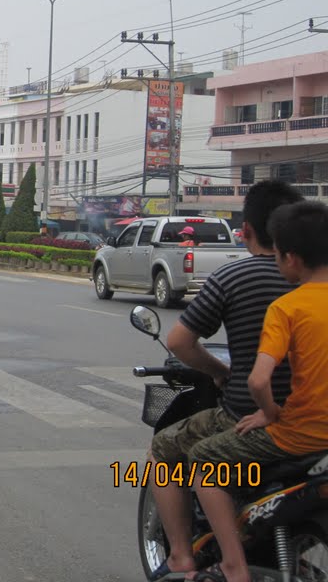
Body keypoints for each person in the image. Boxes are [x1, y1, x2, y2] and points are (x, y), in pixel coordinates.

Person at [147, 180, 303, 580]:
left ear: (245, 231)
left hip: (249, 416)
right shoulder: (314, 284)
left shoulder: (233, 277)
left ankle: (182, 555)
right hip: (314, 422)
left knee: (165, 449)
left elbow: (180, 342)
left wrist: (218, 372)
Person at [187, 200, 328, 582]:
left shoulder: (288, 307)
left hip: (300, 436)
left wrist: (268, 413)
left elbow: (257, 380)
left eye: (279, 255)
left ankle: (233, 563)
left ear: (291, 259)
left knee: (203, 459)